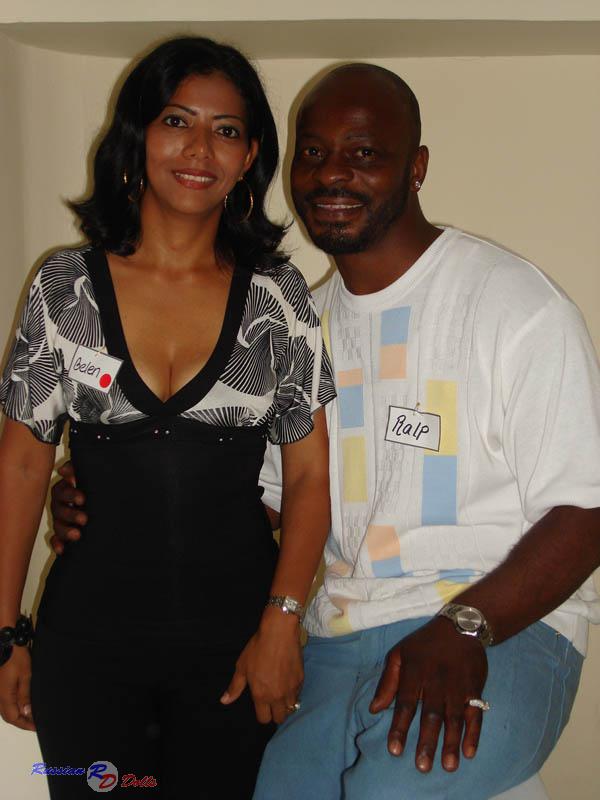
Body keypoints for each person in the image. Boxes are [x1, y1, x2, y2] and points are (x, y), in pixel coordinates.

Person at [50, 63, 600, 799]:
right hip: (341, 639)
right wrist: (111, 499)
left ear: (416, 168)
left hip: (500, 628)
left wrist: (467, 624)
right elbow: (258, 501)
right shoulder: (295, 324)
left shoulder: (512, 305)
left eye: (364, 153)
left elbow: (585, 511)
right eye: (313, 153)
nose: (333, 173)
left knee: (389, 790)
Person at [0, 37, 334, 799]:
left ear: (250, 156)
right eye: (177, 121)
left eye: (226, 130)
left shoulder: (278, 296)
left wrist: (282, 622)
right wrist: (5, 633)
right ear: (138, 134)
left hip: (237, 651)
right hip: (85, 652)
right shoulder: (64, 287)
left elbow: (310, 477)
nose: (199, 149)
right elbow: (20, 463)